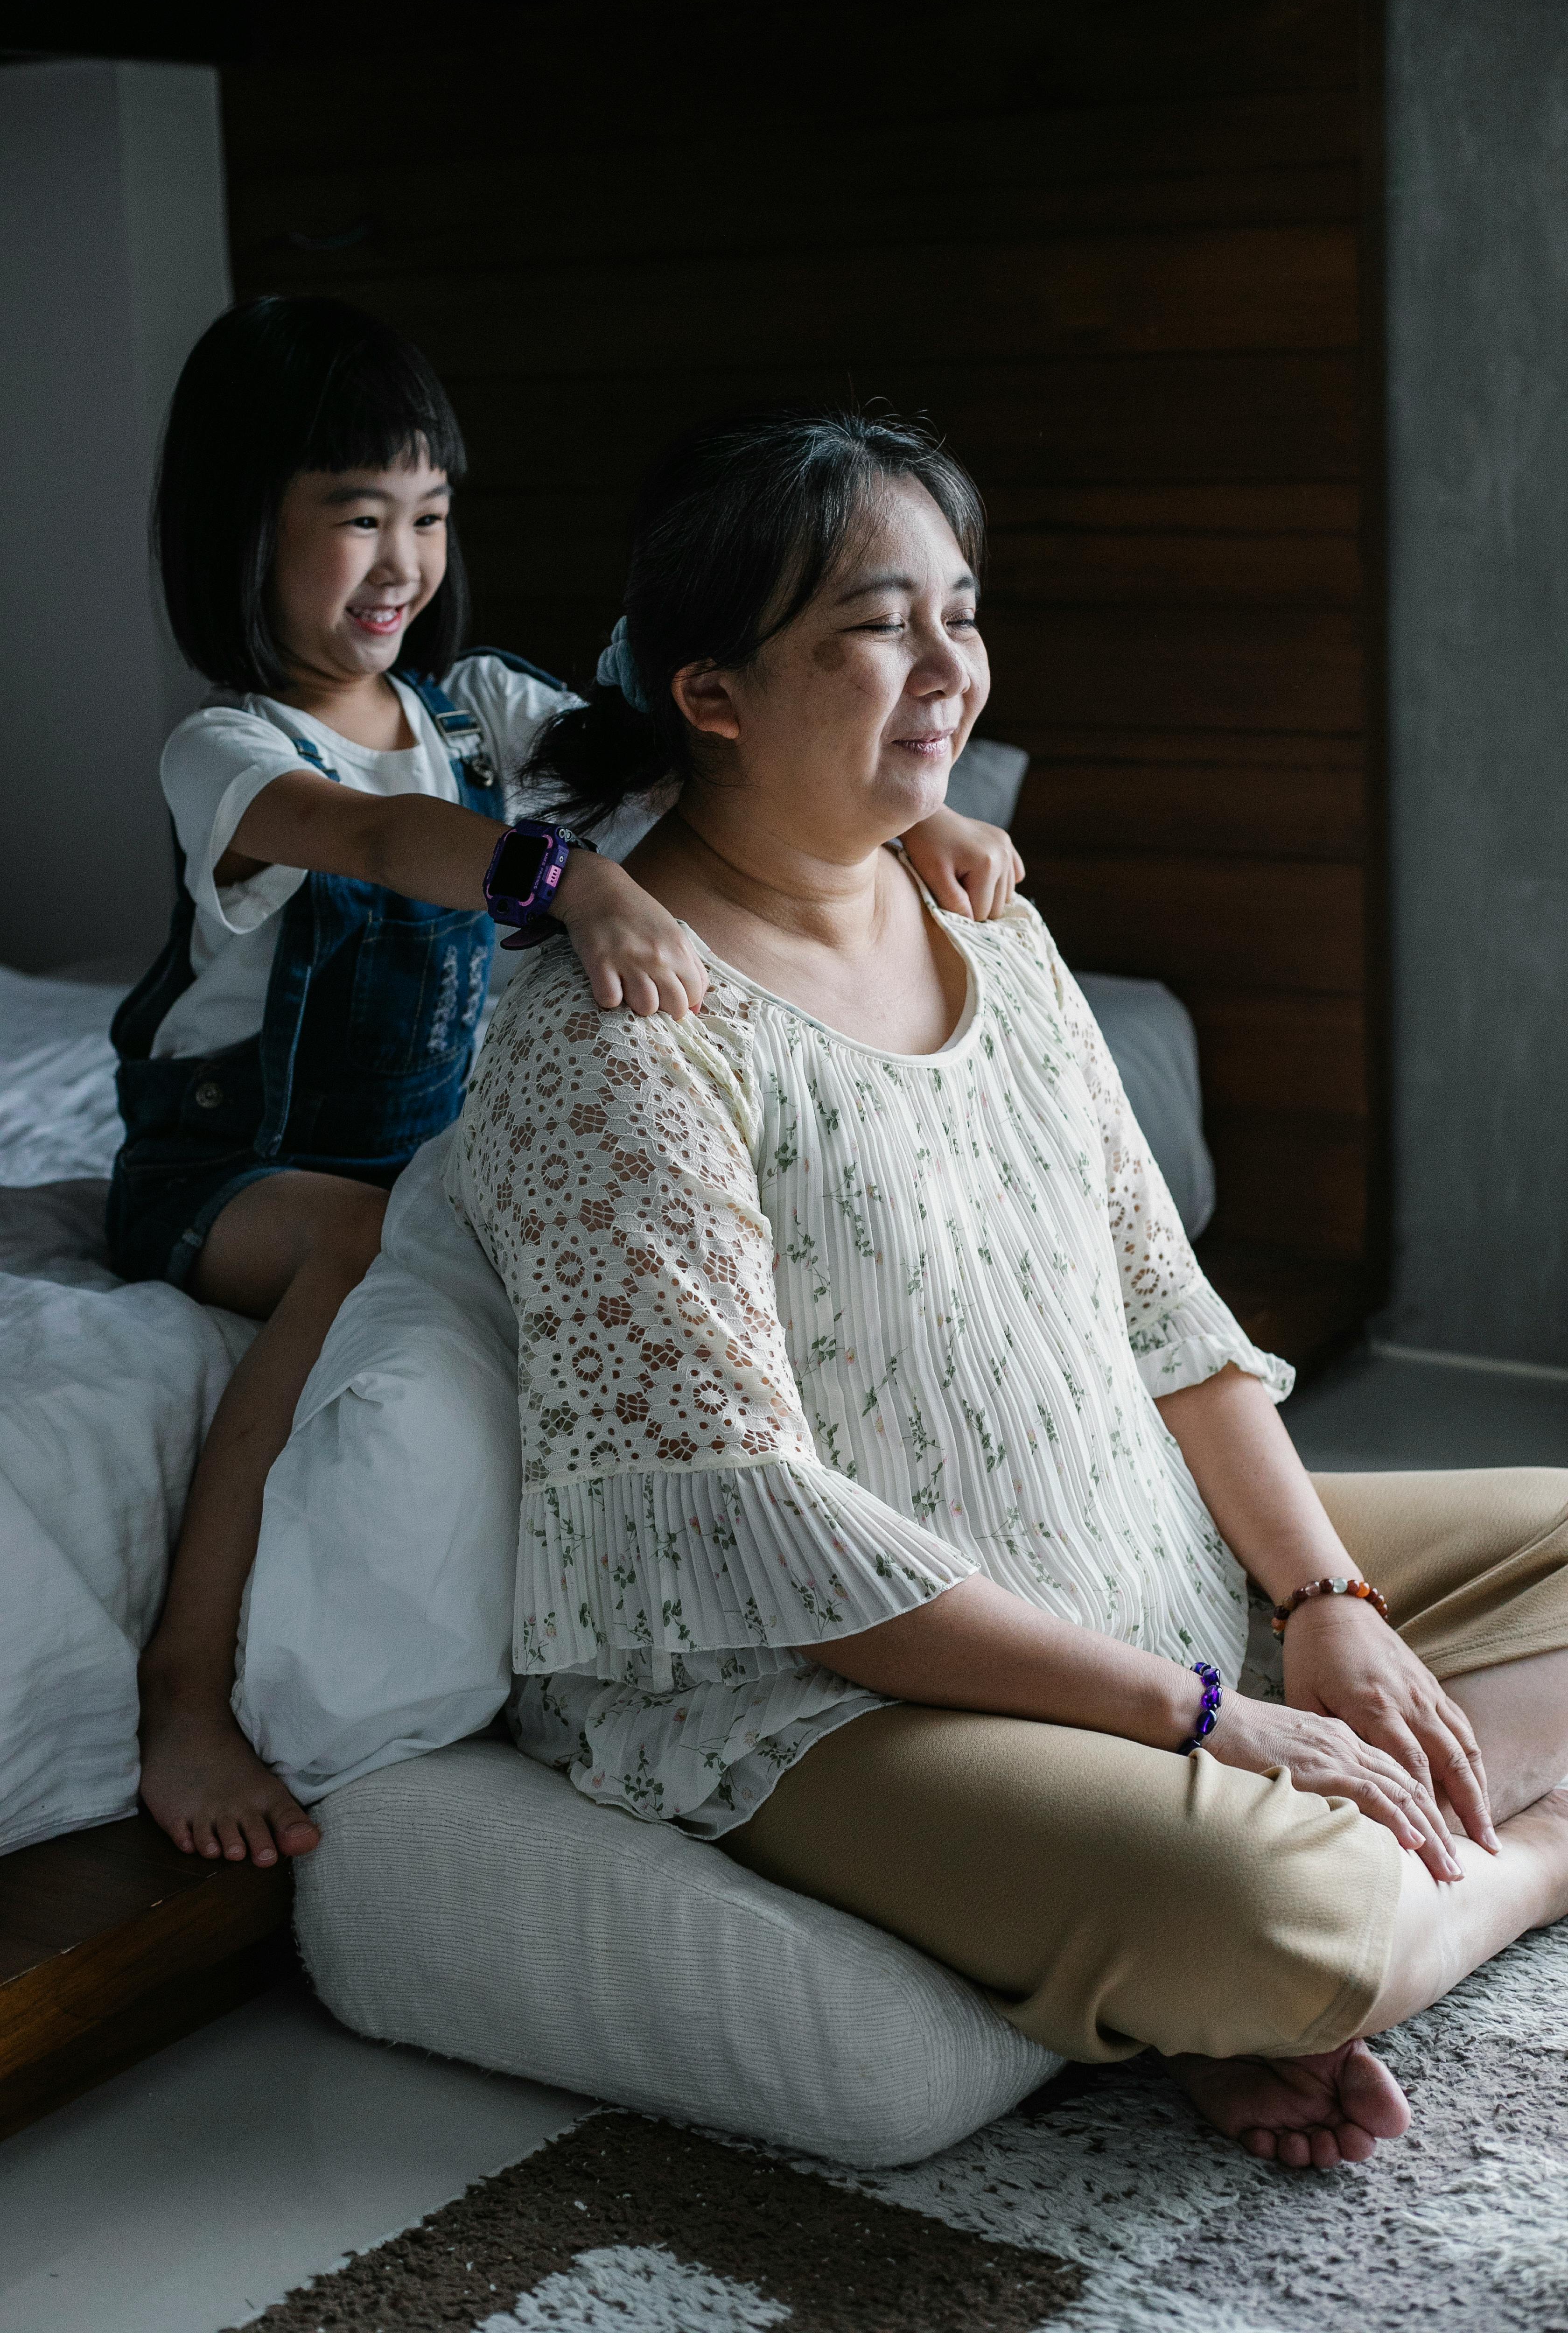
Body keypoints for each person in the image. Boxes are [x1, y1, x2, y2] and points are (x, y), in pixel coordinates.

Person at [449, 405, 1568, 2170]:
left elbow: (1163, 1306)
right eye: (877, 627)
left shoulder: (990, 920)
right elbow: (763, 1539)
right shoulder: (625, 1038)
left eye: (959, 614)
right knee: (1285, 1916)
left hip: (1125, 1551)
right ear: (712, 692)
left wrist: (1330, 1600)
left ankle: (1323, 1909)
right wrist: (1211, 1715)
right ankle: (1455, 1876)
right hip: (835, 1685)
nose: (948, 670)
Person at [114, 305, 1020, 1872]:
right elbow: (384, 841)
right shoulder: (228, 749)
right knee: (355, 1248)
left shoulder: (478, 711)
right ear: (242, 529)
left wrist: (903, 817)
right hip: (239, 1163)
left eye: (429, 517)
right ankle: (187, 1696)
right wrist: (565, 881)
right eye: (353, 521)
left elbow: (718, 760)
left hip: (424, 1143)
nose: (399, 564)